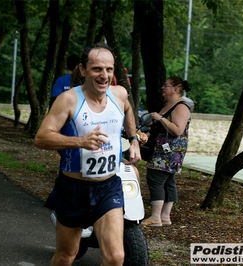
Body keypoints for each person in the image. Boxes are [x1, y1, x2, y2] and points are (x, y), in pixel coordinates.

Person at [34, 43, 141, 266]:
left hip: (108, 187)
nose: (104, 76)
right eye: (97, 69)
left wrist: (134, 139)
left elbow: (129, 110)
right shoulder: (69, 100)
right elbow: (41, 138)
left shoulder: (119, 94)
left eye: (109, 70)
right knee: (66, 255)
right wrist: (80, 141)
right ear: (83, 69)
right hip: (73, 189)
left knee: (116, 257)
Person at [142, 76, 191, 227]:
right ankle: (165, 216)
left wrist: (160, 118)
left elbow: (177, 130)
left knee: (155, 178)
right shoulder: (170, 104)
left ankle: (156, 217)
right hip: (163, 150)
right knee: (169, 181)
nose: (163, 88)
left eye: (166, 85)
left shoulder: (181, 106)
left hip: (168, 152)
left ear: (176, 89)